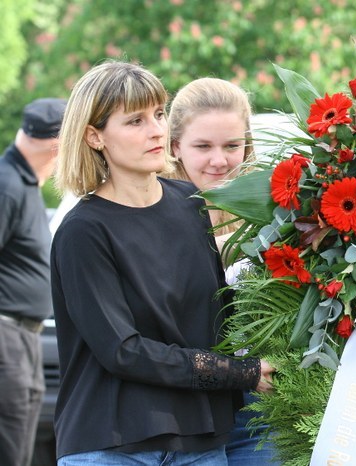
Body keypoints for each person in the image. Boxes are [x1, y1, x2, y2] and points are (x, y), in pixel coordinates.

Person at [50, 61, 275, 465]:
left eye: (158, 114)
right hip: (112, 444)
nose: (155, 129)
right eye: (134, 121)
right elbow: (123, 351)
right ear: (94, 136)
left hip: (199, 442)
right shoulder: (82, 230)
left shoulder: (189, 205)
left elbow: (216, 320)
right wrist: (242, 372)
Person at [168, 77, 278, 465]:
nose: (220, 160)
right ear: (174, 145)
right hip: (183, 413)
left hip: (260, 409)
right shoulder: (152, 217)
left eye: (233, 145)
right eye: (203, 146)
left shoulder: (272, 215)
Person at [0, 97, 66, 466]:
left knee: (21, 444)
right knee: (9, 445)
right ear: (58, 144)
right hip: (6, 336)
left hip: (23, 335)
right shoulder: (7, 185)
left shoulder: (23, 181)